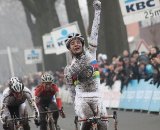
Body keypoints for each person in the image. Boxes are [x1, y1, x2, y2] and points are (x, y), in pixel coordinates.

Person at [64, 0, 108, 130]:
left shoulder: (91, 53)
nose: (76, 44)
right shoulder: (69, 68)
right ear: (69, 49)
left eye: (78, 42)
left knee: (104, 125)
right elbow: (72, 91)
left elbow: (95, 31)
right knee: (87, 120)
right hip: (81, 98)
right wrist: (75, 108)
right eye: (72, 43)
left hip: (97, 95)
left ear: (83, 44)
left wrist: (97, 12)